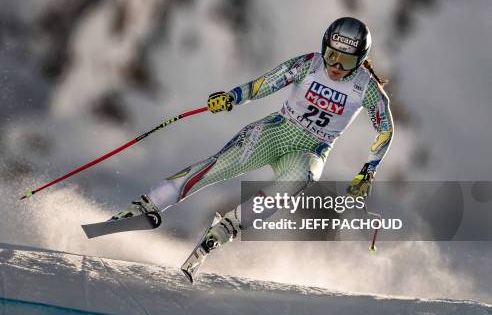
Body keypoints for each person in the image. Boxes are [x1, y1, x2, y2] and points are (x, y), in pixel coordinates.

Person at [111, 17, 394, 253]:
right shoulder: (309, 64)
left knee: (298, 180)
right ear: (324, 47)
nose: (335, 66)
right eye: (332, 55)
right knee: (219, 166)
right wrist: (232, 97)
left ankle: (227, 228)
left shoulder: (365, 88)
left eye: (346, 61)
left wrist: (367, 172)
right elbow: (264, 84)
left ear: (360, 61)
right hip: (276, 131)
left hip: (311, 149)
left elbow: (385, 128)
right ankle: (146, 206)